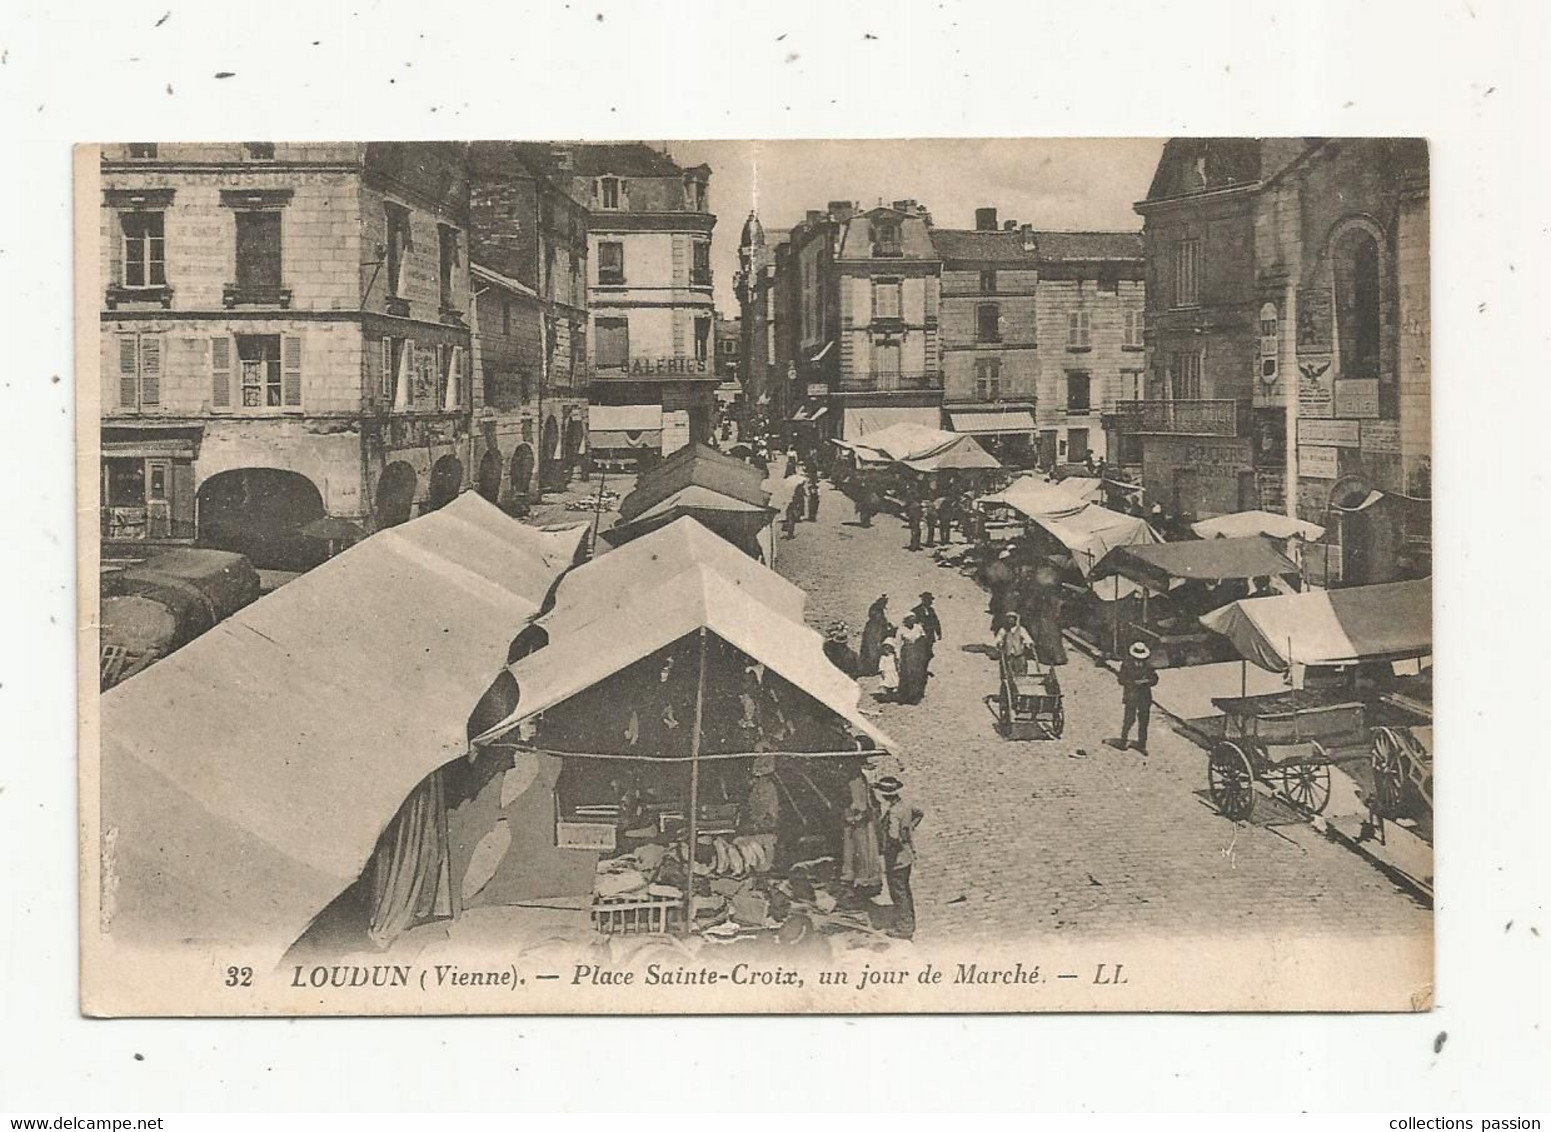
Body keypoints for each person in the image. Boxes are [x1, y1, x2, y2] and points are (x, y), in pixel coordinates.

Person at [876, 775, 924, 940]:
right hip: (907, 855)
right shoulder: (905, 806)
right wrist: (909, 830)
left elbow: (893, 835)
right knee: (905, 890)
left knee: (899, 893)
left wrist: (888, 848)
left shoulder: (894, 812)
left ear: (885, 795)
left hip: (896, 860)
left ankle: (904, 928)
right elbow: (919, 813)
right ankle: (910, 921)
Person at [839, 758, 883, 902]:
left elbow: (862, 801)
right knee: (860, 851)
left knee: (863, 850)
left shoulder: (857, 779)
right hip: (858, 822)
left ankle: (865, 879)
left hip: (860, 822)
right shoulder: (855, 779)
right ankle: (863, 879)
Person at [736, 755, 782, 863]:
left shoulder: (768, 788)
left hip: (766, 829)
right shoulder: (757, 788)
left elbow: (766, 812)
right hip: (759, 827)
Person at [1117, 641, 1159, 755]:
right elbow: (1121, 680)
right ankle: (1123, 740)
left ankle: (1142, 744)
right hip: (1131, 695)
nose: (1140, 660)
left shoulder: (1148, 666)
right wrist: (1134, 683)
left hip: (1145, 697)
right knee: (1129, 719)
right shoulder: (1126, 665)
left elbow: (1155, 679)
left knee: (1144, 721)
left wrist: (1147, 682)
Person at [895, 614, 930, 705]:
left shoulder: (918, 627)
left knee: (917, 674)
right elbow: (898, 644)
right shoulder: (901, 630)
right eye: (910, 619)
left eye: (913, 619)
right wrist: (898, 657)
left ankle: (915, 696)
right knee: (907, 673)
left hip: (918, 653)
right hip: (907, 653)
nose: (912, 621)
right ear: (906, 620)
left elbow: (924, 638)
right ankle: (905, 695)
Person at [858, 595, 892, 676]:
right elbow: (877, 620)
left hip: (877, 631)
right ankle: (870, 668)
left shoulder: (879, 611)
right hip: (874, 633)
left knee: (875, 650)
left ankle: (873, 667)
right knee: (872, 650)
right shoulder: (875, 611)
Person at [996, 611, 1035, 678]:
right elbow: (999, 638)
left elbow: (1027, 637)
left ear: (1015, 620)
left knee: (1021, 669)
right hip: (1008, 655)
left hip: (1019, 654)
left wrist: (1029, 643)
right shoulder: (1003, 630)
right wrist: (999, 643)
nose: (1010, 620)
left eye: (1012, 619)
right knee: (1008, 671)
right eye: (1009, 619)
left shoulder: (1021, 629)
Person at [912, 591, 943, 663]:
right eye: (928, 600)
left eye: (930, 600)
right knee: (921, 654)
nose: (930, 602)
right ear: (923, 600)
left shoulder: (931, 610)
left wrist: (939, 632)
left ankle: (924, 669)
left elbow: (936, 621)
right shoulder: (916, 610)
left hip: (930, 636)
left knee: (929, 654)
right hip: (920, 636)